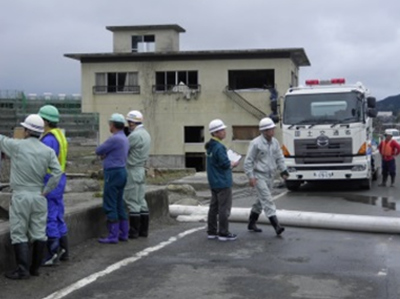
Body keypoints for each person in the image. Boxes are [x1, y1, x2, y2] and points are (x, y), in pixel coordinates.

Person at [0, 114, 62, 279]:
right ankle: (35, 269)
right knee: (38, 232)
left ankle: (22, 269)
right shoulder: (47, 151)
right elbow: (57, 172)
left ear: (26, 130)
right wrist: (47, 189)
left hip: (21, 195)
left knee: (19, 232)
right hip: (38, 195)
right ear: (40, 132)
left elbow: (1, 140)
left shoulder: (17, 146)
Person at [244, 117, 289, 236]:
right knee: (267, 199)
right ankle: (276, 226)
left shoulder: (275, 142)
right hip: (259, 175)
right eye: (269, 129)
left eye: (273, 129)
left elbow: (279, 157)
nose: (272, 131)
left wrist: (283, 170)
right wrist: (251, 176)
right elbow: (248, 161)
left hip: (270, 175)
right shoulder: (255, 144)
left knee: (261, 201)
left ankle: (251, 222)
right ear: (263, 131)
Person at [38, 105, 69, 265]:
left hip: (50, 180)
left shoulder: (48, 139)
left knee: (49, 216)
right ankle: (64, 249)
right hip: (60, 178)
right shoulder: (60, 135)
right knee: (58, 214)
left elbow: (42, 161)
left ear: (46, 121)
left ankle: (52, 253)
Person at [96, 113, 129, 244]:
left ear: (113, 125)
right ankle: (124, 233)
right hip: (122, 171)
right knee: (119, 203)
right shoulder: (124, 138)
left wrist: (105, 154)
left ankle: (113, 234)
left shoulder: (114, 139)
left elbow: (99, 150)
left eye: (110, 124)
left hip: (113, 173)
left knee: (110, 203)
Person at [205, 119, 239, 242]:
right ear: (216, 133)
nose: (224, 132)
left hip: (213, 181)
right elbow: (225, 164)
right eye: (222, 130)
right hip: (223, 181)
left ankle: (212, 231)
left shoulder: (210, 146)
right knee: (224, 208)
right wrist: (233, 163)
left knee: (213, 207)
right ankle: (223, 232)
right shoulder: (219, 147)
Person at [123, 110, 151, 239]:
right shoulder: (146, 134)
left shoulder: (134, 136)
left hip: (132, 169)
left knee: (132, 201)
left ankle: (133, 231)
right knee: (141, 200)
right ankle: (144, 230)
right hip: (141, 169)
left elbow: (124, 149)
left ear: (131, 122)